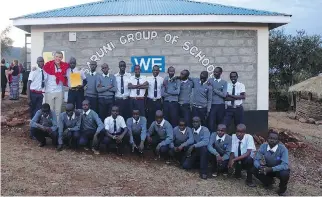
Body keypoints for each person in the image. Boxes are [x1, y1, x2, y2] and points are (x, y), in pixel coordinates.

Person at [253, 130, 290, 196]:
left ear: (278, 141)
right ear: (267, 139)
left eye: (274, 139)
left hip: (278, 170)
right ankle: (268, 181)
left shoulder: (283, 149)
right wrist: (259, 167)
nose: (272, 140)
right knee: (254, 168)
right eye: (270, 138)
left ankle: (282, 190)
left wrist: (271, 169)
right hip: (267, 168)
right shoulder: (263, 146)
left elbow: (285, 165)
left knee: (285, 173)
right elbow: (256, 160)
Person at [43, 51, 69, 121]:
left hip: (59, 91)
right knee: (50, 110)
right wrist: (35, 69)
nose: (58, 58)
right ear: (54, 57)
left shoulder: (64, 66)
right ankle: (50, 125)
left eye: (60, 57)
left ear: (62, 58)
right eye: (56, 56)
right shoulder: (48, 65)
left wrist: (78, 71)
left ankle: (57, 126)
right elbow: (43, 77)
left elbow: (70, 73)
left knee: (58, 111)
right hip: (50, 91)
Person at [207, 67, 227, 132]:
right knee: (211, 123)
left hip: (221, 105)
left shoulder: (224, 82)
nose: (215, 73)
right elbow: (209, 93)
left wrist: (214, 89)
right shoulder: (210, 80)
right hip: (212, 105)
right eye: (214, 72)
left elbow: (224, 95)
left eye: (216, 72)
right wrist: (219, 91)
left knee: (220, 123)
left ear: (220, 73)